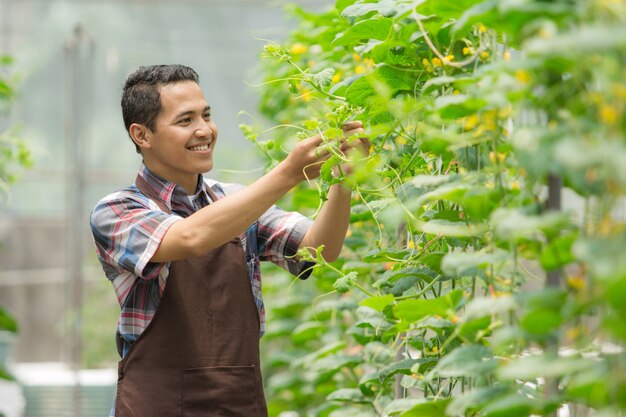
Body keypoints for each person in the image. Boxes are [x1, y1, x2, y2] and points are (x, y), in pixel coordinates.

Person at [89, 64, 368, 417]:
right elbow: (190, 237)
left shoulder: (235, 201)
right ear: (142, 135)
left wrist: (341, 180)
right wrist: (288, 173)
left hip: (238, 403)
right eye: (185, 120)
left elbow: (319, 250)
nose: (204, 129)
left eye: (206, 115)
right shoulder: (116, 211)